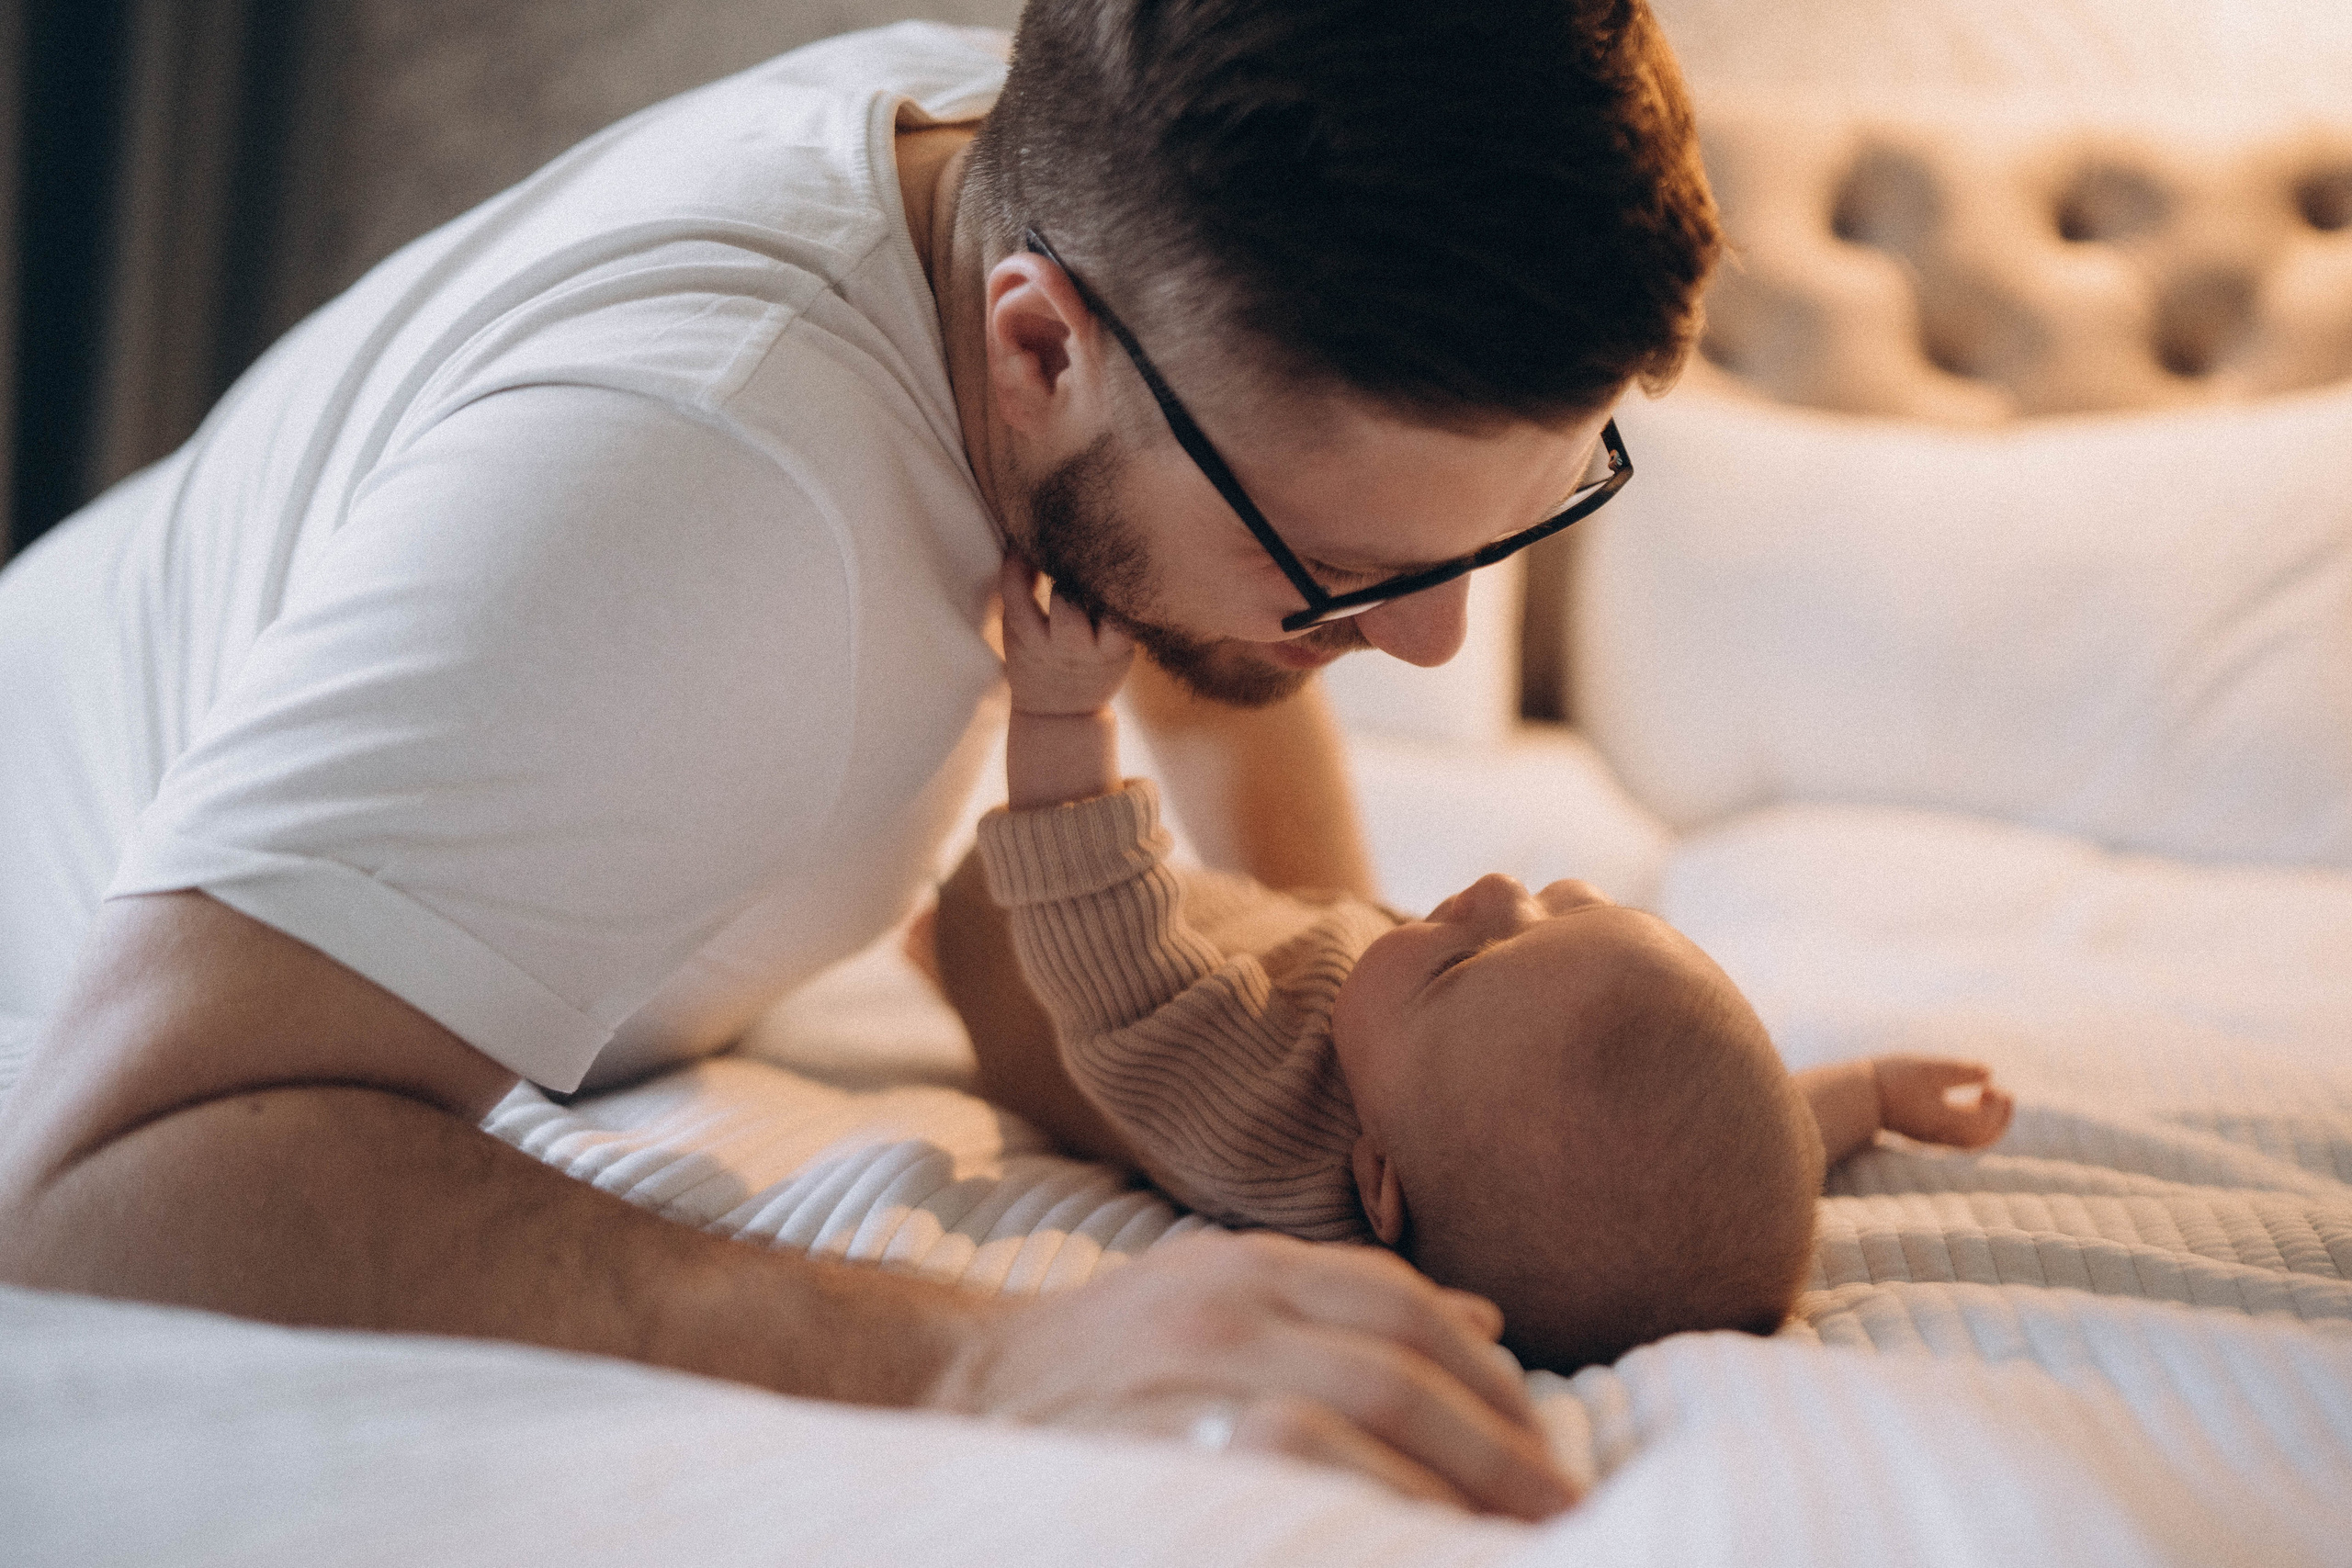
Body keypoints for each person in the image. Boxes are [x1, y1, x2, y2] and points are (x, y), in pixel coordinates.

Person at [0, 0, 1720, 1516]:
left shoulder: (1038, 175)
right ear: (1038, 349)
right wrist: (987, 1355)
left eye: (1506, 530)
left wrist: (1346, 1015)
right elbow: (97, 1186)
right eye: (1344, 570)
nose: (1433, 643)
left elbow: (1167, 577)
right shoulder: (689, 505)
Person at [943, 561, 2018, 1370]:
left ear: (1375, 1182)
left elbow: (1093, 915)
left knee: (1061, 920)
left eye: (1458, 967)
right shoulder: (1470, 1124)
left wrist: (1065, 708)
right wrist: (1866, 1093)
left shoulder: (1247, 1107)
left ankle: (927, 945)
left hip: (1005, 943)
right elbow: (1709, 1168)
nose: (1498, 892)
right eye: (1564, 909)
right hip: (1264, 938)